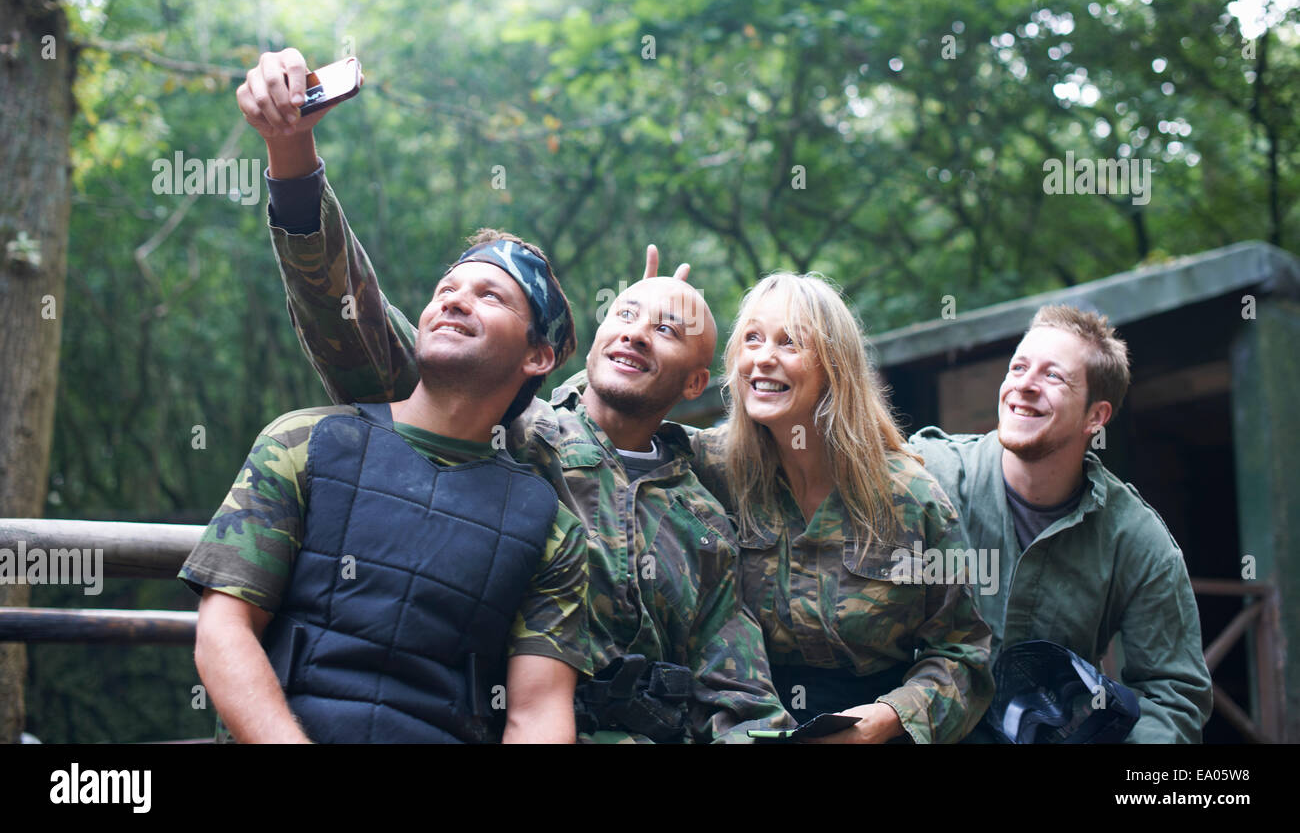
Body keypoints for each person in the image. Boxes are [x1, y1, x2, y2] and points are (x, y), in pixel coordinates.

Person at [235, 48, 792, 742]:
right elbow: (359, 326)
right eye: (622, 315)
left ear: (694, 383)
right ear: (568, 353)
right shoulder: (511, 437)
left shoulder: (705, 516)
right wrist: (293, 162)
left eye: (667, 330)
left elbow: (740, 693)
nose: (638, 334)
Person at [179, 228, 591, 743]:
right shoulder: (302, 442)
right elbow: (224, 631)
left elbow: (538, 712)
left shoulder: (553, 530)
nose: (455, 301)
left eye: (490, 296)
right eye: (445, 290)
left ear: (538, 357)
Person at [687, 272, 995, 744]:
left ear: (834, 366)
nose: (763, 358)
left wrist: (887, 719)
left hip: (871, 724)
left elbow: (963, 656)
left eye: (790, 343)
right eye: (752, 338)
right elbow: (606, 425)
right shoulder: (708, 467)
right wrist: (649, 327)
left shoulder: (910, 497)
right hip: (742, 720)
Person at [909, 304, 1213, 742]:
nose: (1024, 385)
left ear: (1096, 417)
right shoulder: (926, 474)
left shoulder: (1138, 540)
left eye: (1053, 376)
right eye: (1018, 366)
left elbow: (1175, 696)